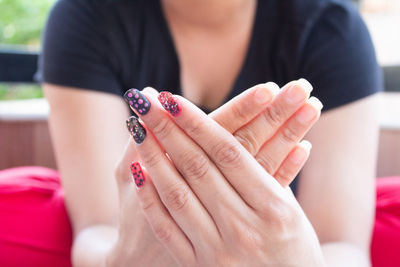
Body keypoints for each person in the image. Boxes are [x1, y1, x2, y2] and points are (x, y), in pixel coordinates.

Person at [1, 0, 399, 266]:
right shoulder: (85, 15)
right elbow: (95, 229)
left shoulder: (331, 25)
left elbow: (343, 245)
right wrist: (125, 256)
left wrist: (294, 258)